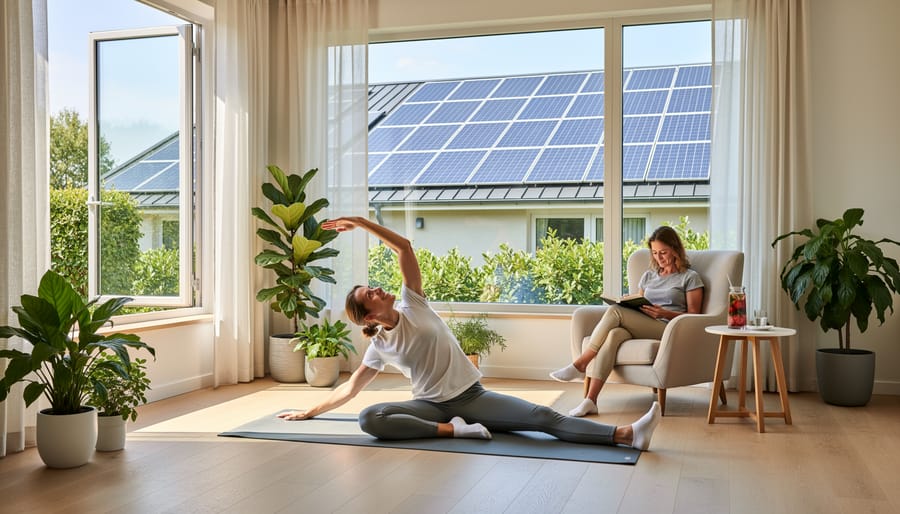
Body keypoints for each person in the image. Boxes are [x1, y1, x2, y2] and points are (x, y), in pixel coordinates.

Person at [278, 216, 662, 451]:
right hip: (431, 408)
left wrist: (361, 223)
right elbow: (350, 390)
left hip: (471, 397)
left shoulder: (414, 302)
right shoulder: (379, 346)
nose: (377, 289)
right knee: (370, 417)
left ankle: (626, 434)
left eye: (373, 286)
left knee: (543, 418)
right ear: (369, 318)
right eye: (369, 295)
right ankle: (453, 432)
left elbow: (405, 248)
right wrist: (308, 411)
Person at [550, 225, 704, 417]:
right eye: (655, 253)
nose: (659, 257)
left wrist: (663, 313)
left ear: (675, 249)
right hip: (643, 323)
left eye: (663, 252)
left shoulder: (690, 277)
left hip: (668, 327)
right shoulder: (649, 275)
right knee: (614, 334)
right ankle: (591, 401)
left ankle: (581, 364)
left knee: (615, 312)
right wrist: (628, 301)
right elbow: (641, 300)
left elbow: (694, 315)